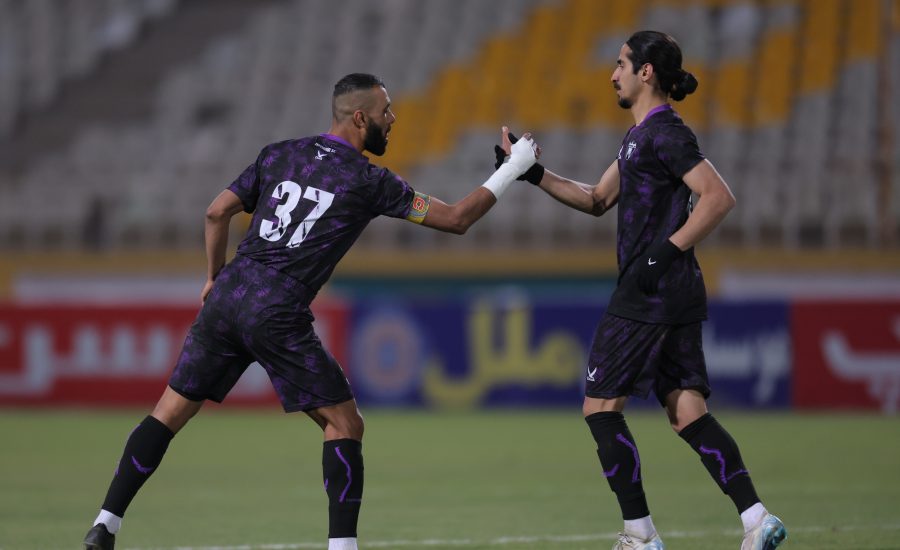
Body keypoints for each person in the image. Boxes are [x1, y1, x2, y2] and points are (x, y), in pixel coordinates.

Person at [82, 72, 539, 550]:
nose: (393, 118)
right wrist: (513, 168)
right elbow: (457, 219)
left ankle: (105, 523)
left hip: (230, 293)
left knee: (169, 412)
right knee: (345, 424)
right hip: (277, 306)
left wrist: (214, 277)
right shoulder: (368, 180)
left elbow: (217, 212)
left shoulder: (279, 154)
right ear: (360, 118)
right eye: (385, 111)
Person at [495, 31, 787, 550]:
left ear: (645, 71)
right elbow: (596, 199)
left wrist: (665, 251)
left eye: (620, 64)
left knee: (600, 408)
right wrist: (531, 172)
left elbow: (718, 197)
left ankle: (640, 535)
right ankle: (757, 518)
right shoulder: (639, 137)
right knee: (686, 411)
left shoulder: (665, 133)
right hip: (673, 290)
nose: (613, 75)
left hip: (649, 290)